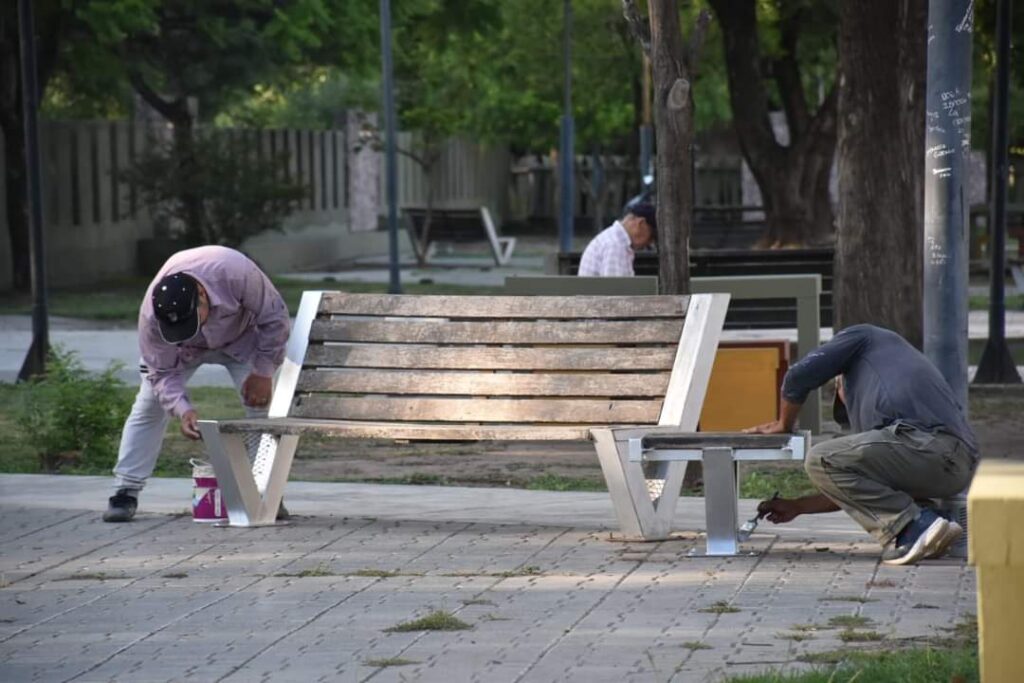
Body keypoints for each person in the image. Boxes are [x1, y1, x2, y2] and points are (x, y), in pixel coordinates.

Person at [746, 324, 978, 566]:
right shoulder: (893, 377)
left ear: (841, 383)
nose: (848, 408)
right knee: (840, 464)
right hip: (954, 465)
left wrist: (784, 423)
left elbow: (799, 376)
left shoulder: (863, 337)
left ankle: (914, 527)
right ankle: (933, 523)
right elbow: (858, 488)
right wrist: (799, 506)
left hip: (928, 448)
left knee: (821, 458)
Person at [103, 245, 291, 522]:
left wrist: (263, 373)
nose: (193, 326)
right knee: (148, 405)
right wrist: (182, 408)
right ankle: (125, 490)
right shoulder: (151, 318)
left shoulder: (235, 271)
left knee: (263, 409)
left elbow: (274, 318)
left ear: (202, 296)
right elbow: (160, 371)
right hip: (184, 351)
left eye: (193, 319)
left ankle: (263, 493)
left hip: (242, 339)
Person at [577, 202, 657, 276]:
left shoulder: (614, 240)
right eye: (652, 236)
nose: (650, 242)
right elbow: (615, 288)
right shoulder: (615, 245)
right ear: (641, 224)